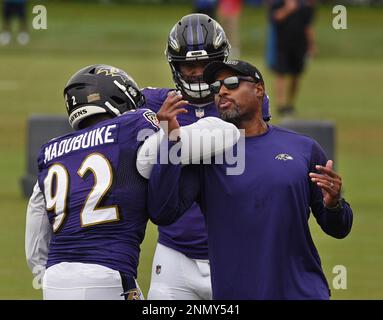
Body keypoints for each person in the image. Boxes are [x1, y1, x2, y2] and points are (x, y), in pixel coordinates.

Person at [25, 64, 240, 300]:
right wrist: (174, 130)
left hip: (55, 280)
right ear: (120, 98)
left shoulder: (52, 151)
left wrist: (54, 275)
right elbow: (220, 134)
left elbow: (35, 243)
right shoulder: (129, 131)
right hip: (110, 273)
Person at [147, 59, 353, 299]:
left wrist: (334, 204)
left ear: (259, 89)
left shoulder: (304, 148)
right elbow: (162, 211)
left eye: (232, 83)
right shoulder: (207, 156)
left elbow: (339, 228)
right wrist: (170, 142)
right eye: (216, 87)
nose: (222, 91)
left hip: (304, 292)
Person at [142, 13, 270, 300]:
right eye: (189, 64)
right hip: (175, 251)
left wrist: (173, 139)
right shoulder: (151, 103)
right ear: (175, 66)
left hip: (235, 250)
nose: (198, 71)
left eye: (205, 63)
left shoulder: (242, 102)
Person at [266, 0, 316, 117]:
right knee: (280, 74)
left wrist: (312, 44)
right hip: (282, 45)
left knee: (296, 75)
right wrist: (288, 9)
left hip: (299, 45)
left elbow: (308, 27)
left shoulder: (305, 6)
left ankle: (290, 103)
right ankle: (281, 105)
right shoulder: (278, 4)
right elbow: (275, 18)